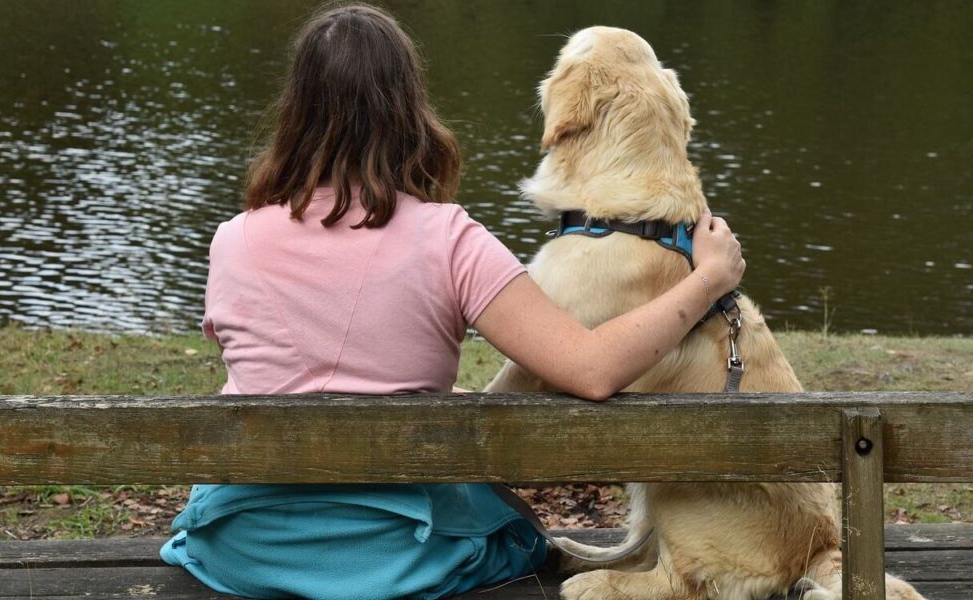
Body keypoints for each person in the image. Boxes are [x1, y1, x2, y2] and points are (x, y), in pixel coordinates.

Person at [160, 4, 745, 599]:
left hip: (243, 548)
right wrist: (707, 280)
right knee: (515, 531)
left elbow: (281, 367)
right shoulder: (449, 237)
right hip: (404, 557)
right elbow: (592, 371)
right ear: (407, 106)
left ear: (297, 109)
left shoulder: (233, 239)